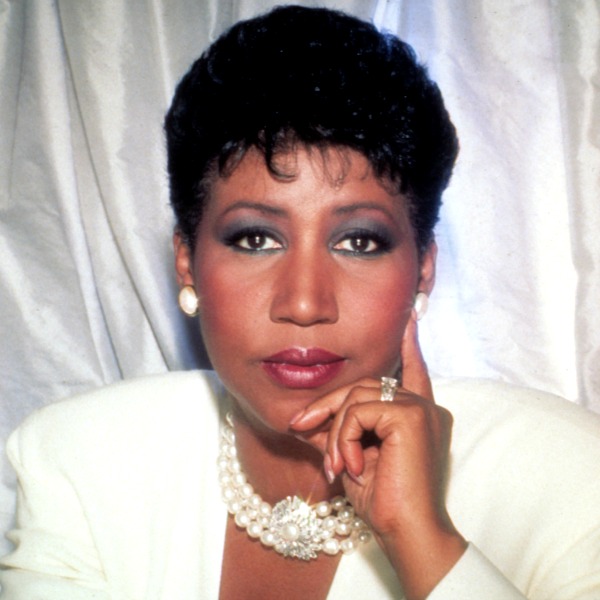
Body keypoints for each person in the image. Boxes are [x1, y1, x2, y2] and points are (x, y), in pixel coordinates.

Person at [1, 5, 600, 599]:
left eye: (358, 242)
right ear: (187, 261)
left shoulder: (568, 474)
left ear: (423, 268)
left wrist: (422, 538)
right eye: (255, 239)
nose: (306, 303)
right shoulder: (81, 461)